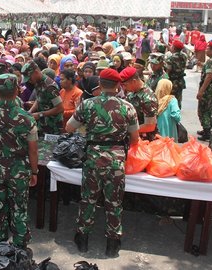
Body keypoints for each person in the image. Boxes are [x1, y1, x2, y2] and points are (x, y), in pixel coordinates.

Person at [65, 68, 139, 258]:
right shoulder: (128, 107)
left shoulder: (87, 104)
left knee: (88, 199)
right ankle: (112, 244)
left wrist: (88, 130)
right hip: (116, 161)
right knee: (114, 202)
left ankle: (82, 239)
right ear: (117, 86)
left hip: (92, 159)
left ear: (100, 85)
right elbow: (135, 138)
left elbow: (69, 127)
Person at [0, 73, 38, 250]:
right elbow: (33, 150)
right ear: (17, 90)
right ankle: (19, 247)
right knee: (19, 209)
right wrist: (34, 172)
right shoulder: (26, 118)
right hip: (19, 169)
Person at [24, 61, 64, 135]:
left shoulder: (50, 86)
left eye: (30, 78)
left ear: (36, 72)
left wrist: (40, 114)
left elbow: (60, 108)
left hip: (53, 126)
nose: (29, 81)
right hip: (43, 124)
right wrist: (30, 111)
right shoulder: (38, 82)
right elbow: (39, 98)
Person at [121, 67, 158, 141]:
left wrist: (129, 130)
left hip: (145, 142)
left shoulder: (148, 98)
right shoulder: (132, 92)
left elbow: (150, 126)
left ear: (134, 81)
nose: (124, 88)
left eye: (125, 85)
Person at [165, 40, 188, 108]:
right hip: (180, 81)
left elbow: (168, 71)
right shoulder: (184, 56)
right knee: (178, 99)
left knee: (171, 100)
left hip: (172, 82)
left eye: (172, 46)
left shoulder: (171, 58)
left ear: (174, 48)